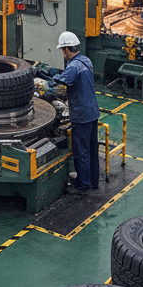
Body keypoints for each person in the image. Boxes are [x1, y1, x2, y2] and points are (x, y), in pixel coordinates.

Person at [51, 31, 100, 195]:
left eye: (62, 50)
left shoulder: (72, 67)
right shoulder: (86, 61)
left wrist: (47, 79)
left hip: (81, 115)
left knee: (81, 151)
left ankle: (83, 183)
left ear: (66, 49)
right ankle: (94, 180)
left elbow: (60, 83)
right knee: (93, 149)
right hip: (93, 112)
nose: (62, 53)